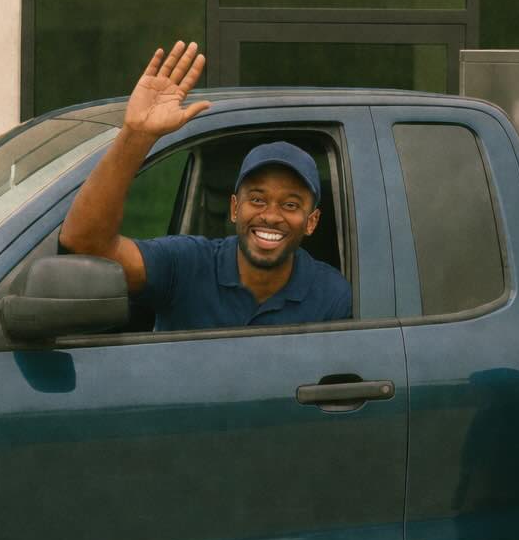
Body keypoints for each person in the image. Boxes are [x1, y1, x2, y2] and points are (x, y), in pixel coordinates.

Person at [60, 40, 352, 329]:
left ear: (311, 222)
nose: (271, 216)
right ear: (235, 207)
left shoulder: (331, 295)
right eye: (258, 199)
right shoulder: (186, 264)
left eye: (290, 204)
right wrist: (136, 135)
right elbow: (85, 243)